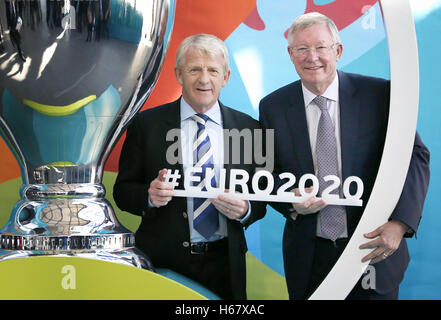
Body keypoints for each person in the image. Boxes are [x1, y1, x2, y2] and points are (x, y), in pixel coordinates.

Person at [259, 12, 430, 300]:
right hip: (309, 258)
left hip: (373, 249)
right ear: (290, 54)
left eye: (321, 47)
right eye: (301, 49)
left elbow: (415, 156)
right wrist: (291, 200)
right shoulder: (273, 106)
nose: (312, 57)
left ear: (337, 50)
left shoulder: (379, 95)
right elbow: (266, 174)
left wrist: (400, 224)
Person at [114, 33, 266, 300]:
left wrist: (246, 209)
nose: (204, 79)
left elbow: (261, 197)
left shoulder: (249, 128)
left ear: (226, 77)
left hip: (225, 265)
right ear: (179, 74)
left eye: (212, 70)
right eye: (194, 69)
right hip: (164, 262)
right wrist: (148, 197)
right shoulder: (145, 125)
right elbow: (122, 192)